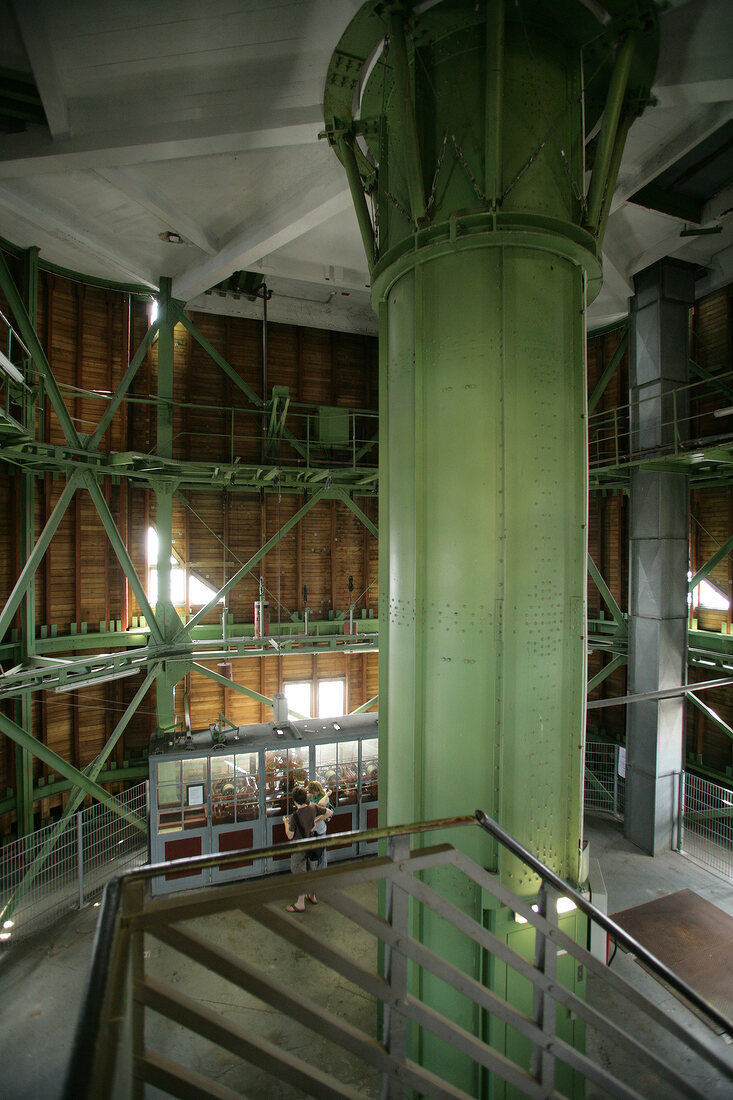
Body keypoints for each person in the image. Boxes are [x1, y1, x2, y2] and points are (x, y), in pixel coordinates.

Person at [283, 786, 331, 912]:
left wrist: (285, 823)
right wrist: (314, 823)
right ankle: (312, 896)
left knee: (300, 875)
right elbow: (329, 813)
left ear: (294, 801)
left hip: (299, 848)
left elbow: (290, 835)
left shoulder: (294, 816)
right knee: (312, 871)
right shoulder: (313, 808)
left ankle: (300, 904)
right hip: (312, 845)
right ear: (306, 799)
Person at [307, 780, 332, 872]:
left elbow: (321, 805)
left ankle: (322, 870)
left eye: (313, 792)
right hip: (314, 828)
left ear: (317, 791)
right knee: (315, 850)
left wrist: (327, 795)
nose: (312, 794)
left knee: (321, 852)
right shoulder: (313, 797)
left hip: (320, 828)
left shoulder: (323, 799)